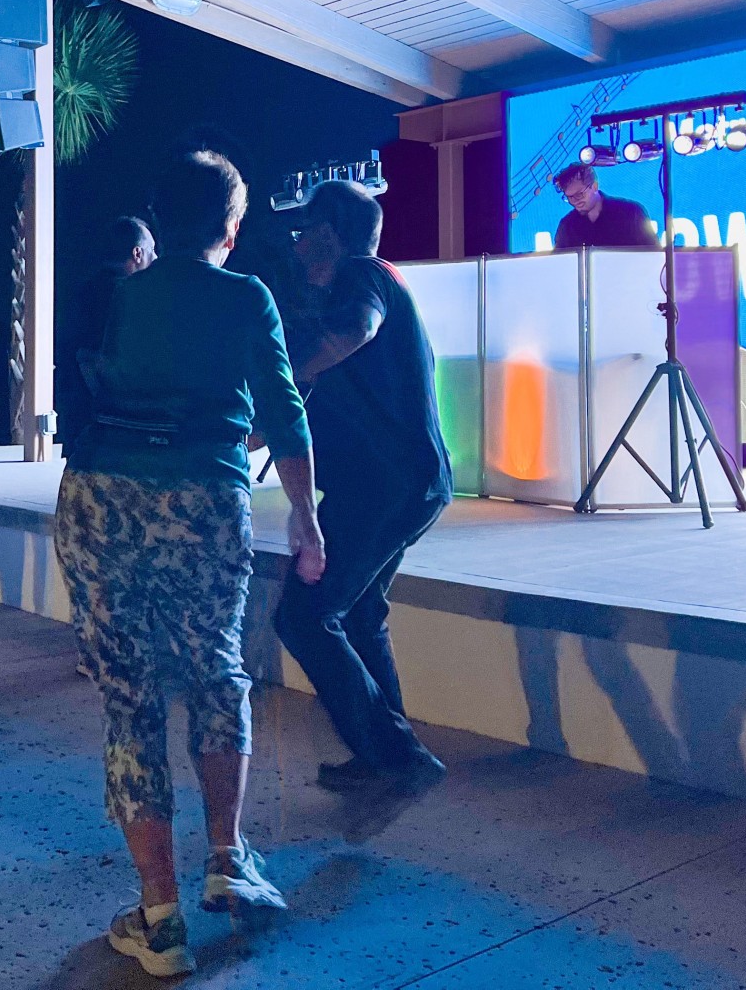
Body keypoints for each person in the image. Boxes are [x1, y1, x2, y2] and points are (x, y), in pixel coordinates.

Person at [55, 151, 325, 979]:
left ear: (159, 218)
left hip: (101, 498)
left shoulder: (116, 295)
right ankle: (226, 857)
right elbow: (286, 416)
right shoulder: (247, 296)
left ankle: (160, 916)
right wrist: (308, 522)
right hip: (204, 499)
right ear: (232, 227)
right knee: (215, 676)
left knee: (129, 700)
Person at [274, 179, 452, 793]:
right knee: (359, 615)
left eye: (308, 227)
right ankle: (384, 755)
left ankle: (399, 758)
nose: (297, 242)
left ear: (337, 233)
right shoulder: (358, 285)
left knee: (304, 615)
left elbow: (355, 331)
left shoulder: (365, 276)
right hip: (396, 483)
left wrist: (284, 376)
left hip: (390, 484)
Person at [55, 216, 154, 445]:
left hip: (79, 420)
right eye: (152, 251)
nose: (156, 258)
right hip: (116, 425)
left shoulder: (84, 292)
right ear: (137, 254)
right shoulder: (132, 298)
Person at [550, 164, 656, 249]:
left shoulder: (632, 213)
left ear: (595, 186)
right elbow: (561, 264)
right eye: (569, 197)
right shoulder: (567, 225)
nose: (575, 201)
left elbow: (654, 255)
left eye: (579, 194)